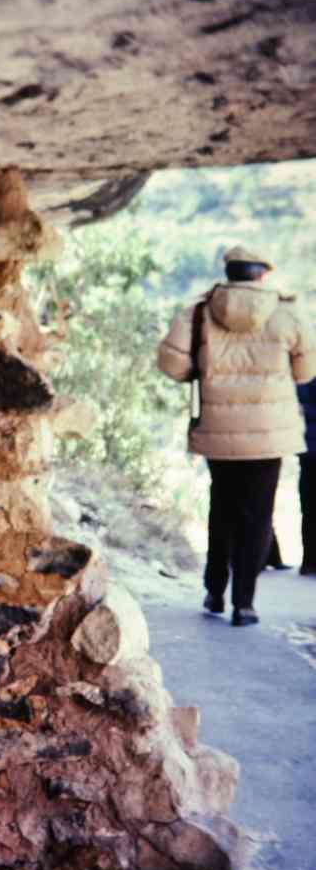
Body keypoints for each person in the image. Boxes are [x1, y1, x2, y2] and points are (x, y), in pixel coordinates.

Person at [158, 245, 316, 626]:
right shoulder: (287, 313)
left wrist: (205, 369)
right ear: (262, 275)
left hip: (217, 428)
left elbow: (171, 365)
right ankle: (244, 603)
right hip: (270, 433)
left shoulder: (198, 312)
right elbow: (307, 370)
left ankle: (214, 589)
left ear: (229, 273)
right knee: (258, 514)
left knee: (222, 508)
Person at [298, 378, 316, 574]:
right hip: (310, 449)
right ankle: (309, 560)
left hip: (308, 447)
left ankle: (309, 561)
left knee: (309, 506)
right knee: (310, 506)